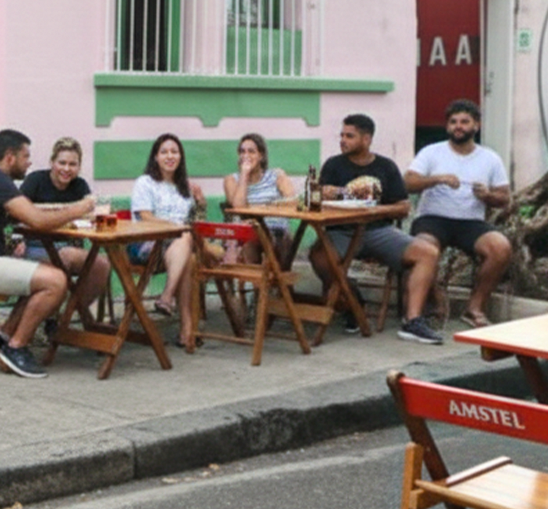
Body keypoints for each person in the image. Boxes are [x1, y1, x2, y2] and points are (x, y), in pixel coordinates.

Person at [0, 129, 94, 379]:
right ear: (10, 157)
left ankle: (4, 335)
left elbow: (17, 218)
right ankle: (16, 347)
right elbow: (38, 221)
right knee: (56, 281)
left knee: (46, 275)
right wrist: (78, 209)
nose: (30, 162)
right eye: (26, 156)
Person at [311, 114, 442, 344]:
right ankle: (353, 303)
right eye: (341, 135)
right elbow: (317, 198)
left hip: (377, 230)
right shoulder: (333, 165)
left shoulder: (385, 166)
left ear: (366, 139)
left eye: (349, 136)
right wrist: (325, 194)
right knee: (319, 257)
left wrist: (375, 211)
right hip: (340, 231)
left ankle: (413, 321)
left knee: (428, 252)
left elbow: (403, 207)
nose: (343, 140)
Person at [405, 99, 512, 328]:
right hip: (432, 219)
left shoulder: (490, 158)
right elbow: (408, 183)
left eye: (464, 122)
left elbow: (504, 198)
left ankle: (474, 308)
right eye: (453, 122)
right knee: (424, 248)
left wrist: (487, 195)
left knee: (500, 247)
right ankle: (435, 303)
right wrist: (436, 179)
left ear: (476, 126)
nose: (458, 126)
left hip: (471, 222)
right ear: (447, 127)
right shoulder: (431, 152)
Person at [9, 137, 111, 338]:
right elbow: (16, 215)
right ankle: (48, 318)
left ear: (79, 166)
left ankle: (63, 318)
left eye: (73, 164)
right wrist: (17, 240)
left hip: (70, 246)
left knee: (102, 266)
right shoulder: (35, 181)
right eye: (62, 163)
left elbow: (90, 219)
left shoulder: (80, 186)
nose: (67, 169)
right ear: (52, 163)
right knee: (67, 257)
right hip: (35, 248)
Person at [129, 133, 206, 347]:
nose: (169, 156)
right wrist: (175, 227)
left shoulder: (185, 188)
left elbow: (197, 222)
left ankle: (175, 313)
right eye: (164, 152)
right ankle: (178, 312)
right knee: (185, 238)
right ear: (155, 157)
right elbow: (145, 217)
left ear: (180, 157)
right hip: (145, 245)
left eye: (174, 152)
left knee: (189, 255)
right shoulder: (145, 183)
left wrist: (201, 204)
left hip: (175, 250)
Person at [221, 132, 296, 264]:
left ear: (261, 155)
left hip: (277, 232)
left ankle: (274, 279)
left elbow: (294, 202)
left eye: (251, 152)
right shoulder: (232, 180)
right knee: (252, 237)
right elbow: (238, 208)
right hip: (247, 234)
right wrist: (244, 174)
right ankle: (259, 282)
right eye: (242, 152)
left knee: (283, 241)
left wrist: (261, 208)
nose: (246, 156)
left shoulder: (277, 176)